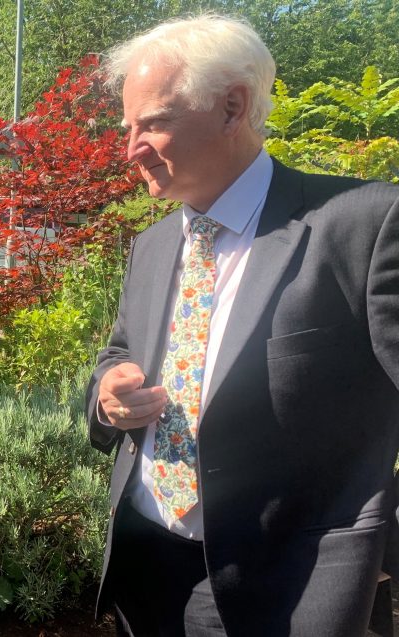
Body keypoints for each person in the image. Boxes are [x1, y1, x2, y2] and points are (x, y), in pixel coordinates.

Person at [86, 15, 399, 636]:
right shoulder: (151, 246)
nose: (131, 149)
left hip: (289, 588)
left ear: (233, 107)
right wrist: (107, 395)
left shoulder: (363, 224)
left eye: (153, 123)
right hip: (148, 573)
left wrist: (375, 543)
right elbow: (120, 351)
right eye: (128, 127)